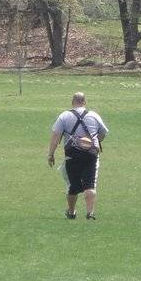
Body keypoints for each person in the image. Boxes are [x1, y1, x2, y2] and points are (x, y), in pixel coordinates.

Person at [48, 92, 109, 220]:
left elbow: (56, 136)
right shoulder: (94, 115)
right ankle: (90, 213)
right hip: (91, 154)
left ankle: (71, 212)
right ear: (84, 102)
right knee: (90, 184)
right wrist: (94, 141)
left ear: (72, 102)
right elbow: (103, 133)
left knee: (73, 186)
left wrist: (51, 154)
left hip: (72, 154)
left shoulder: (64, 116)